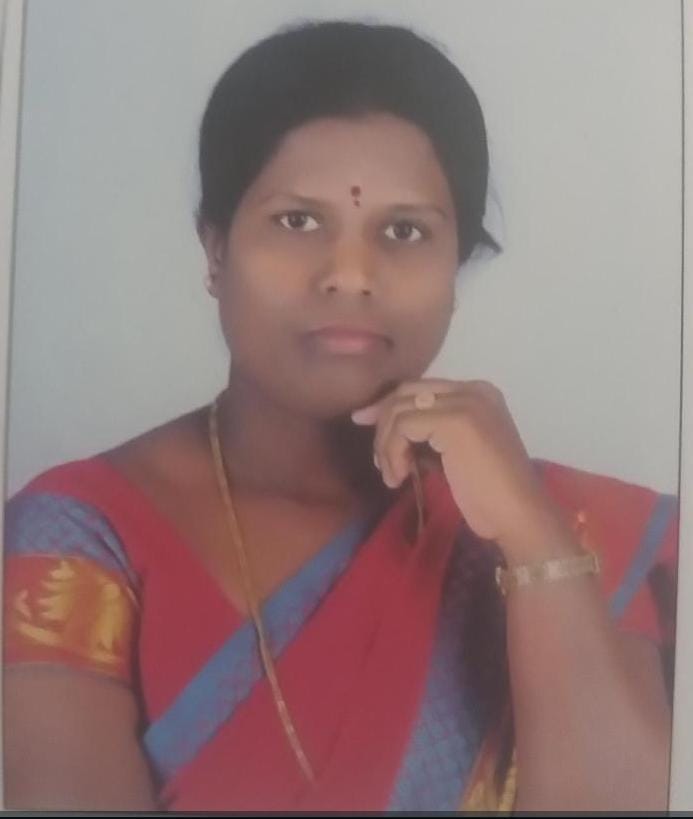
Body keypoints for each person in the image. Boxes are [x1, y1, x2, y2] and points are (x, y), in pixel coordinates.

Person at [3, 20, 678, 812]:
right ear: (214, 250)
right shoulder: (84, 533)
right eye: (297, 220)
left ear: (454, 266)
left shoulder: (574, 527)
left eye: (404, 231)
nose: (351, 274)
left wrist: (531, 535)